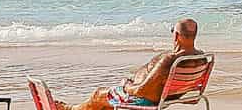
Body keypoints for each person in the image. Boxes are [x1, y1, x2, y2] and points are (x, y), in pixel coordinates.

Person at [67, 17, 201, 110]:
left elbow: (141, 91)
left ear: (176, 35)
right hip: (166, 97)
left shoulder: (170, 60)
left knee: (99, 95)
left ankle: (70, 109)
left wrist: (127, 85)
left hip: (145, 101)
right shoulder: (201, 57)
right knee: (107, 99)